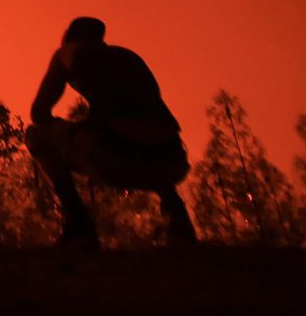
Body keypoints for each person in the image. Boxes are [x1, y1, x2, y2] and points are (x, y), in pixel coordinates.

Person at [25, 16, 197, 248]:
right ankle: (177, 219)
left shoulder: (68, 53)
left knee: (37, 135)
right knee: (143, 134)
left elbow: (39, 113)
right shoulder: (129, 57)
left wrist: (75, 129)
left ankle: (79, 225)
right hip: (170, 160)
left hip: (113, 156)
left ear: (69, 37)